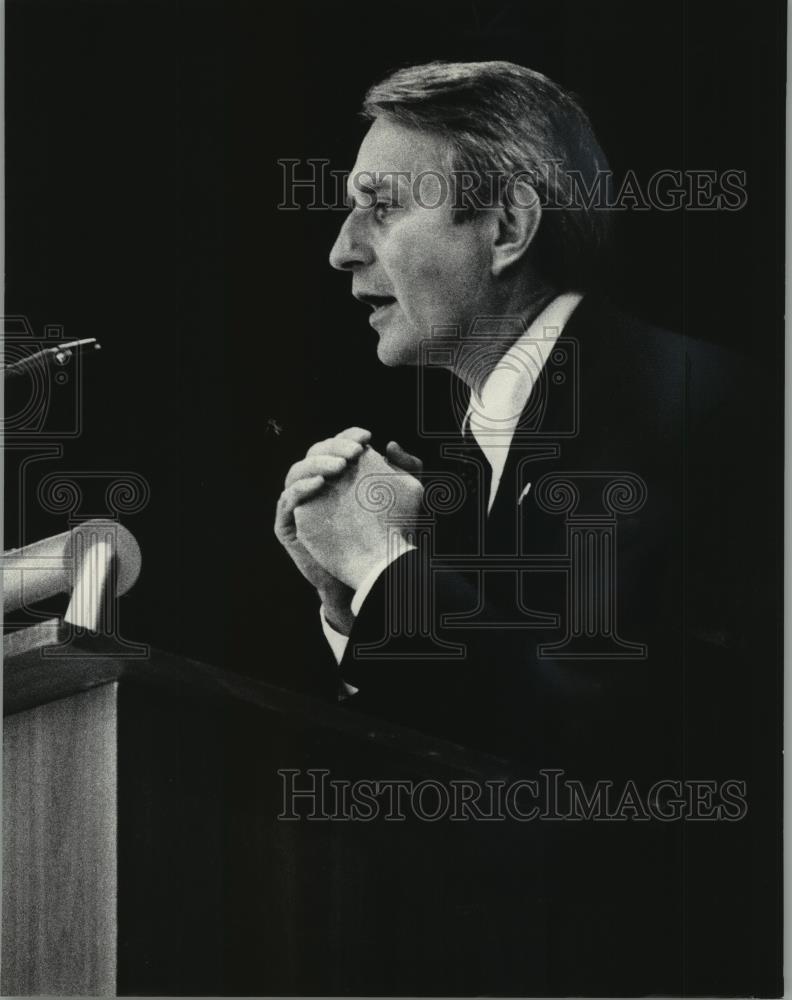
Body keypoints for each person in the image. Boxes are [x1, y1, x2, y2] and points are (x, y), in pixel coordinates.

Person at [274, 59, 764, 772]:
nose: (341, 249)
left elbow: (593, 740)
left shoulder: (681, 403)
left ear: (508, 227)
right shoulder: (497, 455)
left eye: (381, 207)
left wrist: (385, 568)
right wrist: (356, 597)